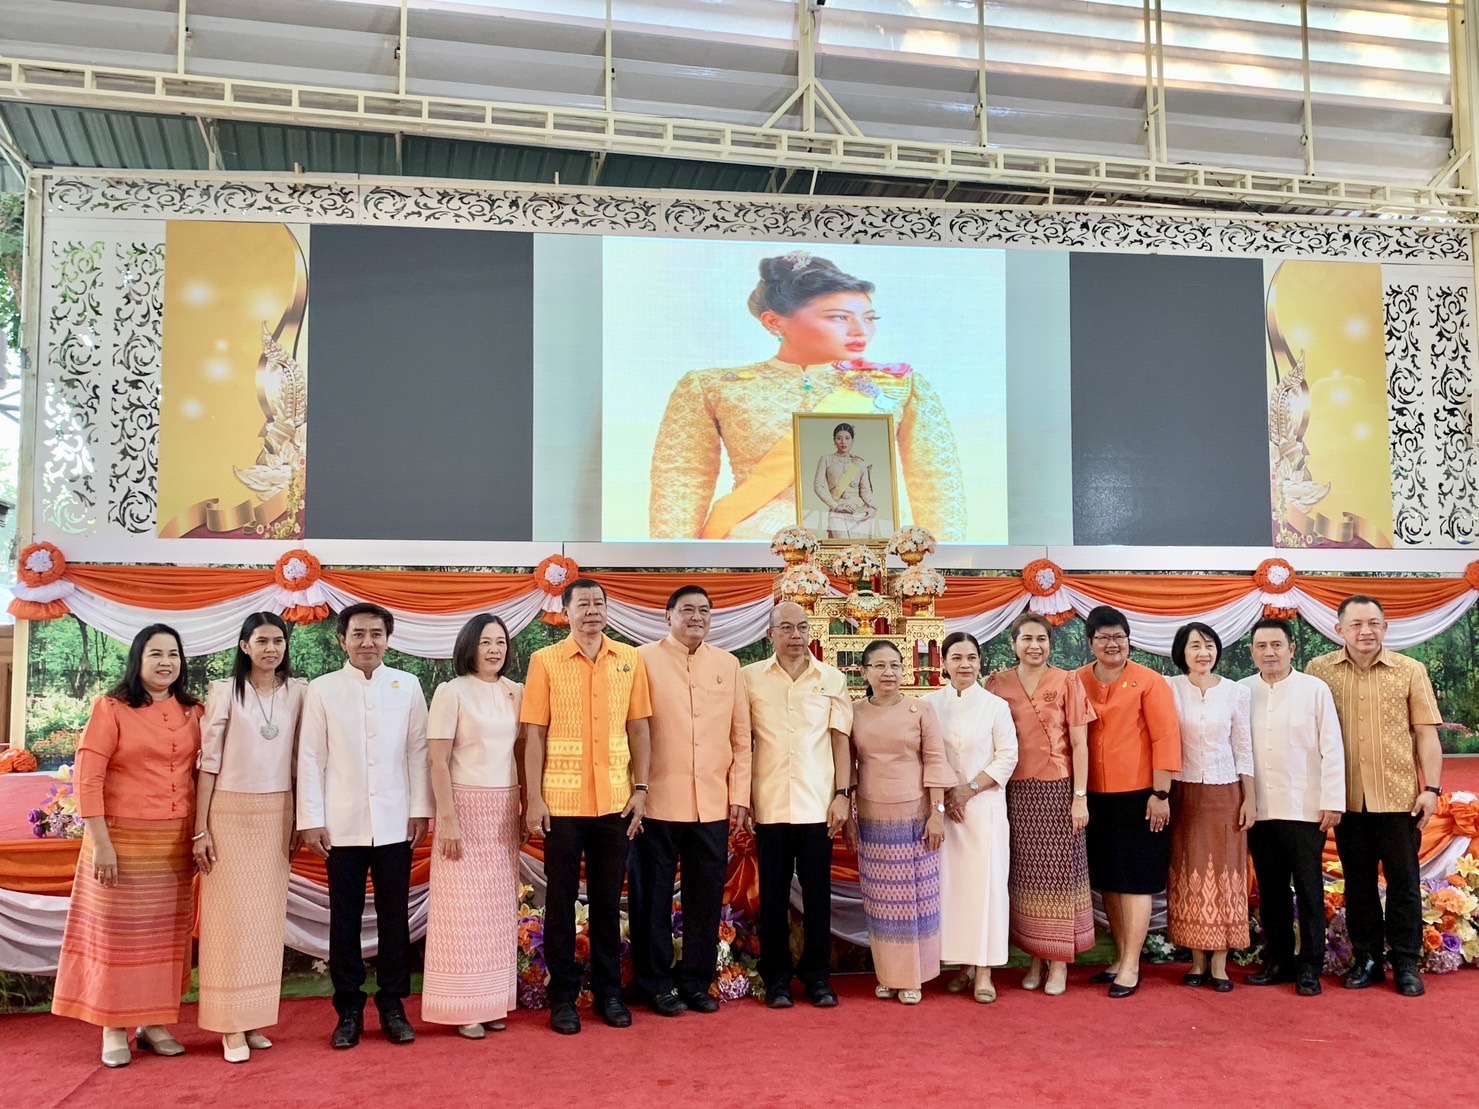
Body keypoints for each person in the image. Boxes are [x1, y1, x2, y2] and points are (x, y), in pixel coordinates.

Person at [648, 251, 966, 540]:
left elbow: (937, 485)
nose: (860, 331)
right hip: (752, 548)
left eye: (869, 318)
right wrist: (678, 567)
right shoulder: (714, 386)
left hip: (870, 552)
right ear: (774, 322)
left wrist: (949, 569)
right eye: (839, 317)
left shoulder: (900, 385)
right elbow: (681, 483)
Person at [52, 624, 204, 1068]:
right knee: (117, 937)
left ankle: (154, 1022)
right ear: (137, 659)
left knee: (163, 938)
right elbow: (88, 777)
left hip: (173, 840)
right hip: (119, 837)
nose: (165, 662)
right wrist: (100, 843)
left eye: (173, 654)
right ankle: (112, 1027)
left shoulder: (194, 711)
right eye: (155, 654)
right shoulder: (111, 707)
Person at [521, 579, 652, 1035]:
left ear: (607, 610)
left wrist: (641, 787)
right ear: (566, 611)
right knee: (558, 901)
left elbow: (639, 728)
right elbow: (534, 733)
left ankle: (609, 993)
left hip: (616, 801)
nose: (592, 611)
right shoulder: (546, 661)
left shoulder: (629, 660)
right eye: (583, 605)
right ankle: (563, 998)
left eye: (599, 603)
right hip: (562, 801)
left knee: (606, 902)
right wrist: (533, 796)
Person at [298, 603, 431, 1049]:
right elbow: (311, 758)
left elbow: (417, 752)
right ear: (342, 639)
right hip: (341, 825)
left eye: (377, 634)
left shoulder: (407, 685)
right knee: (345, 920)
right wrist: (312, 819)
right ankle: (349, 1009)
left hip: (395, 823)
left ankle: (393, 1005)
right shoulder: (323, 690)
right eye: (358, 634)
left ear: (389, 639)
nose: (368, 642)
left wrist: (420, 808)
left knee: (395, 918)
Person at [1306, 595, 1443, 998]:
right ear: (1339, 630)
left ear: (1385, 627)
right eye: (1356, 624)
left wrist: (1431, 789)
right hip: (1346, 801)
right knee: (1359, 883)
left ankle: (1405, 962)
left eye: (1374, 623)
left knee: (1404, 882)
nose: (1366, 631)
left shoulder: (1409, 670)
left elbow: (1426, 734)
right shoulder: (1320, 671)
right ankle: (1365, 958)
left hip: (1400, 800)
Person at [630, 586, 751, 1016]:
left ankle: (697, 981)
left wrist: (740, 796)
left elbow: (742, 738)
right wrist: (635, 790)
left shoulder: (728, 664)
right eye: (687, 610)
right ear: (667, 616)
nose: (696, 617)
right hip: (656, 801)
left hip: (713, 803)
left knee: (705, 898)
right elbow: (632, 729)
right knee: (652, 897)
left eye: (704, 611)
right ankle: (656, 983)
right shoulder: (640, 660)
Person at [194, 613, 307, 1063]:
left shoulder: (299, 692)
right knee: (227, 919)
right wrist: (201, 828)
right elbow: (208, 763)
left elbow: (302, 760)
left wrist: (300, 817)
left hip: (277, 813)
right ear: (244, 646)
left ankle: (254, 1016)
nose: (271, 649)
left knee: (264, 918)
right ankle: (228, 1025)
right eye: (261, 641)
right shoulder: (224, 691)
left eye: (278, 641)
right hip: (228, 811)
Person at [743, 600, 853, 1009]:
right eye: (785, 628)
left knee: (817, 895)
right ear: (769, 634)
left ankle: (818, 976)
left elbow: (840, 741)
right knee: (771, 897)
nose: (795, 636)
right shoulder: (748, 679)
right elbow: (742, 743)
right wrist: (743, 798)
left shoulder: (832, 679)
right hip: (768, 804)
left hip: (818, 805)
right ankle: (777, 979)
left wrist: (843, 796)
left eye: (802, 627)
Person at [422, 614, 525, 1039]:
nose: (495, 649)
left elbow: (519, 754)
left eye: (501, 641)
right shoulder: (452, 692)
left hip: (503, 808)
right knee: (461, 912)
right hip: (462, 809)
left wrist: (522, 809)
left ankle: (492, 1001)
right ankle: (462, 1006)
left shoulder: (515, 692)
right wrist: (447, 820)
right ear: (470, 645)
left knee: (498, 911)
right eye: (486, 642)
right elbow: (437, 761)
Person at [984, 614, 1095, 995]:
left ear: (1051, 644)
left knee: (1060, 876)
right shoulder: (996, 683)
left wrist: (1079, 797)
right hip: (1013, 790)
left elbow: (1080, 743)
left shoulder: (1068, 681)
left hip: (1058, 788)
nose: (1034, 645)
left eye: (1042, 639)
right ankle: (1034, 957)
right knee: (1025, 878)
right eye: (1026, 638)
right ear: (1014, 643)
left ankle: (1060, 962)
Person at [1076, 605, 1182, 998]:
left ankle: (1133, 965)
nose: (1112, 644)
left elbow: (1166, 738)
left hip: (1142, 795)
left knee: (1136, 882)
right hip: (1094, 796)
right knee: (1111, 882)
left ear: (1129, 640)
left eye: (1119, 636)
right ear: (1090, 643)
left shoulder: (1150, 682)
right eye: (1103, 637)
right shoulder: (1077, 680)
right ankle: (1120, 957)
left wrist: (1160, 793)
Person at [1240, 617, 1344, 997]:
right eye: (1261, 646)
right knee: (1271, 891)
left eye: (1276, 645)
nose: (1269, 652)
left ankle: (1310, 966)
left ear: (1291, 649)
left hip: (1305, 809)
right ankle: (1278, 960)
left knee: (1310, 890)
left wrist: (1333, 801)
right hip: (1259, 811)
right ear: (1251, 652)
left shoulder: (1314, 690)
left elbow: (1332, 748)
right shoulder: (1241, 691)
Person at [843, 641, 952, 1004]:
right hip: (873, 815)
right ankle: (888, 974)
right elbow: (850, 767)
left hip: (915, 814)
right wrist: (851, 818)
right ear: (864, 672)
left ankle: (913, 977)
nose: (888, 673)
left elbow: (935, 760)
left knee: (914, 897)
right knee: (880, 900)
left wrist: (936, 815)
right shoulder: (854, 712)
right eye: (879, 666)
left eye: (895, 665)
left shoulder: (919, 709)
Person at [928, 632, 1017, 1003]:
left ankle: (985, 972)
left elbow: (1007, 756)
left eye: (971, 658)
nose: (964, 665)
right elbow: (928, 754)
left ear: (981, 662)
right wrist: (949, 792)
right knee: (954, 889)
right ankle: (963, 964)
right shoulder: (929, 705)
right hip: (945, 809)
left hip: (985, 809)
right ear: (944, 663)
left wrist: (970, 789)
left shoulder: (996, 705)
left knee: (987, 888)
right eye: (956, 658)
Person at [1165, 623, 1253, 992]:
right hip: (1182, 793)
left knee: (1224, 874)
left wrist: (1250, 798)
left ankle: (1220, 962)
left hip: (1225, 792)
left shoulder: (1236, 692)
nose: (1203, 652)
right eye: (1194, 646)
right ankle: (1196, 960)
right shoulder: (1169, 688)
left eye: (1209, 645)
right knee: (1188, 870)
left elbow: (1243, 747)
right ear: (1181, 652)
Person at [812, 422, 878, 539]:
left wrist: (872, 507)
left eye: (847, 438)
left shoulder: (859, 463)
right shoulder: (826, 460)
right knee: (842, 550)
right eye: (839, 438)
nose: (843, 442)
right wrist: (835, 506)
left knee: (860, 552)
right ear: (834, 440)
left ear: (852, 440)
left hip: (860, 512)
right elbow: (818, 486)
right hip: (838, 511)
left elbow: (865, 490)